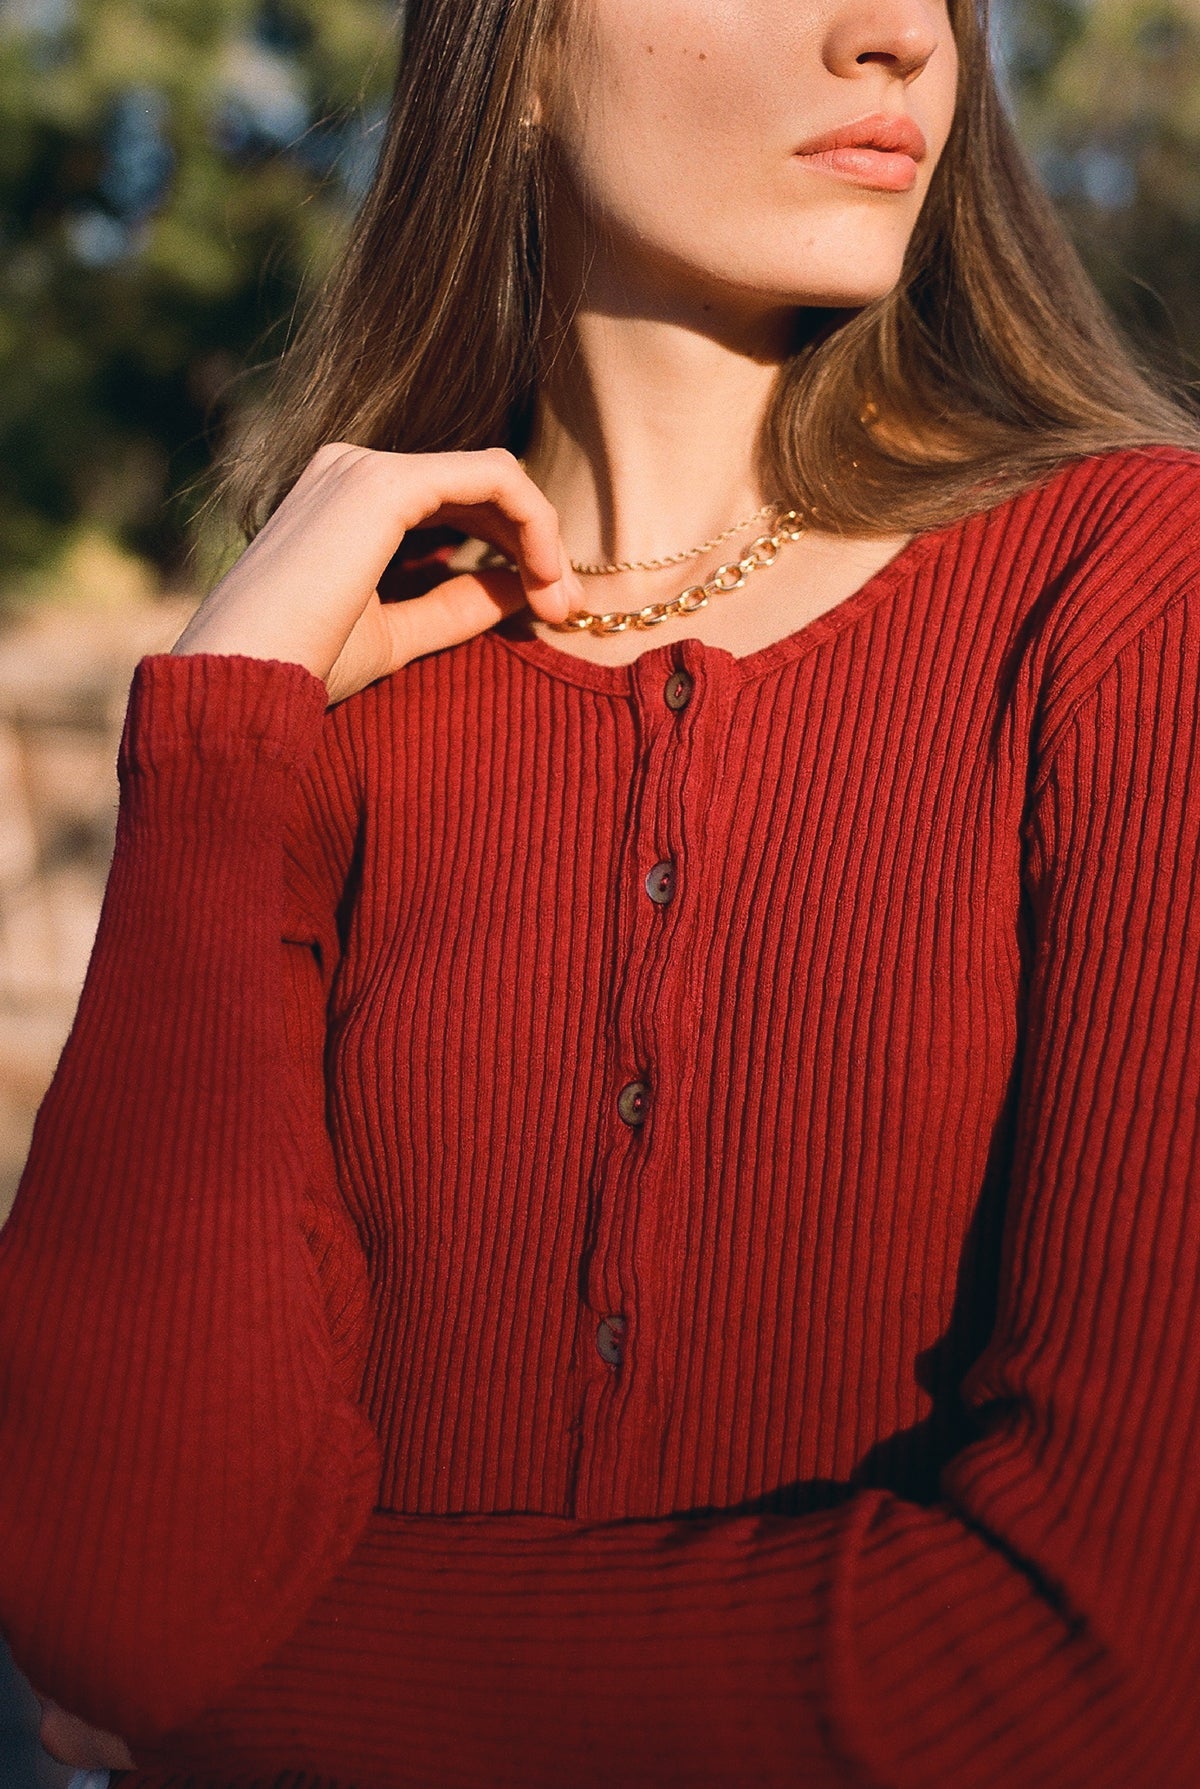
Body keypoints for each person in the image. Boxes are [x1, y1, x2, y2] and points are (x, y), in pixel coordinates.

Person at [3, 0, 1200, 1783]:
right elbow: (102, 1589)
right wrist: (222, 731)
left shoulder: (1127, 599)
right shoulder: (326, 696)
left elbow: (1096, 1663)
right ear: (524, 49)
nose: (899, 40)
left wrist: (255, 1694)